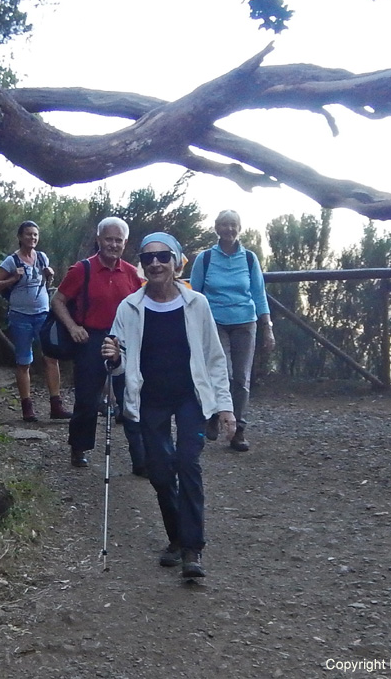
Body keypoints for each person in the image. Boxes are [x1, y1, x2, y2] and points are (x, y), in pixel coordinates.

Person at [101, 232, 236, 579]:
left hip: (191, 396)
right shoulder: (130, 307)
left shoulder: (197, 304)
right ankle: (176, 538)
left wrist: (225, 406)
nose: (156, 263)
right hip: (150, 399)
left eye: (163, 256)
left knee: (188, 463)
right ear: (142, 265)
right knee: (160, 471)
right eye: (148, 258)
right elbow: (117, 361)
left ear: (177, 261)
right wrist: (113, 357)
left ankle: (193, 549)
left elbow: (214, 358)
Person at [51, 217, 145, 470]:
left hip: (124, 339)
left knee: (131, 395)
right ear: (98, 240)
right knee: (87, 398)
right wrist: (73, 327)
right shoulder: (82, 269)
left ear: (125, 243)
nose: (113, 244)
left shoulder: (132, 273)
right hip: (91, 338)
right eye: (108, 239)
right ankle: (79, 448)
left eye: (118, 240)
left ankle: (141, 458)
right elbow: (58, 300)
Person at [190, 209, 275, 452]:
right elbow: (195, 295)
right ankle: (216, 416)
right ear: (216, 228)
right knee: (221, 373)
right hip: (214, 321)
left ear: (240, 228)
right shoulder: (205, 259)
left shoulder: (249, 259)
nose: (229, 229)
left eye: (233, 225)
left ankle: (239, 430)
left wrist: (267, 327)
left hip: (245, 321)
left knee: (241, 378)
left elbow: (259, 294)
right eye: (224, 225)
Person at [0, 221, 72, 422]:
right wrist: (11, 280)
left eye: (35, 235)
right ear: (20, 237)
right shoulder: (11, 261)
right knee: (24, 361)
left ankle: (56, 405)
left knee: (51, 358)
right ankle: (27, 407)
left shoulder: (42, 257)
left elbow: (44, 285)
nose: (32, 238)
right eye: (28, 234)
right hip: (20, 316)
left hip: (43, 315)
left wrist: (49, 277)